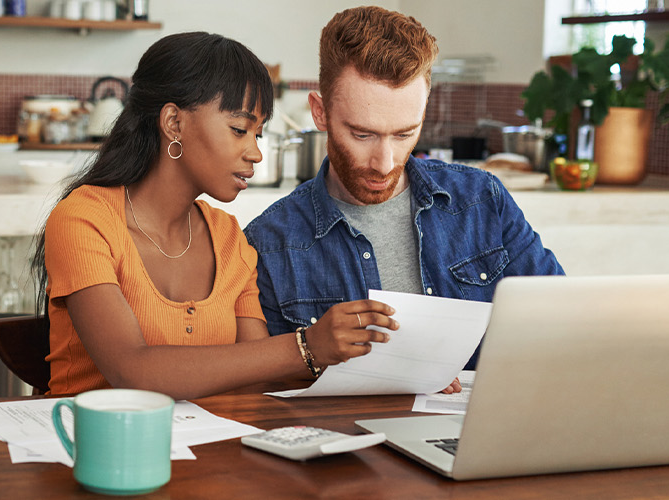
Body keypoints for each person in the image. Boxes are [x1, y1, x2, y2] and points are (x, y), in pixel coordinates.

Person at [32, 32, 398, 400]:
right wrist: (307, 346)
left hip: (210, 452)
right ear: (174, 123)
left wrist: (394, 375)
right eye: (239, 130)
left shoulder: (228, 237)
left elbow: (257, 377)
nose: (255, 152)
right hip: (91, 448)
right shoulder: (84, 219)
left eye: (258, 133)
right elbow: (132, 371)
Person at [244, 7, 565, 372]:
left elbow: (559, 319)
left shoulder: (482, 199)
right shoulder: (267, 243)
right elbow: (266, 392)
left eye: (404, 134)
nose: (384, 162)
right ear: (320, 112)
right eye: (362, 134)